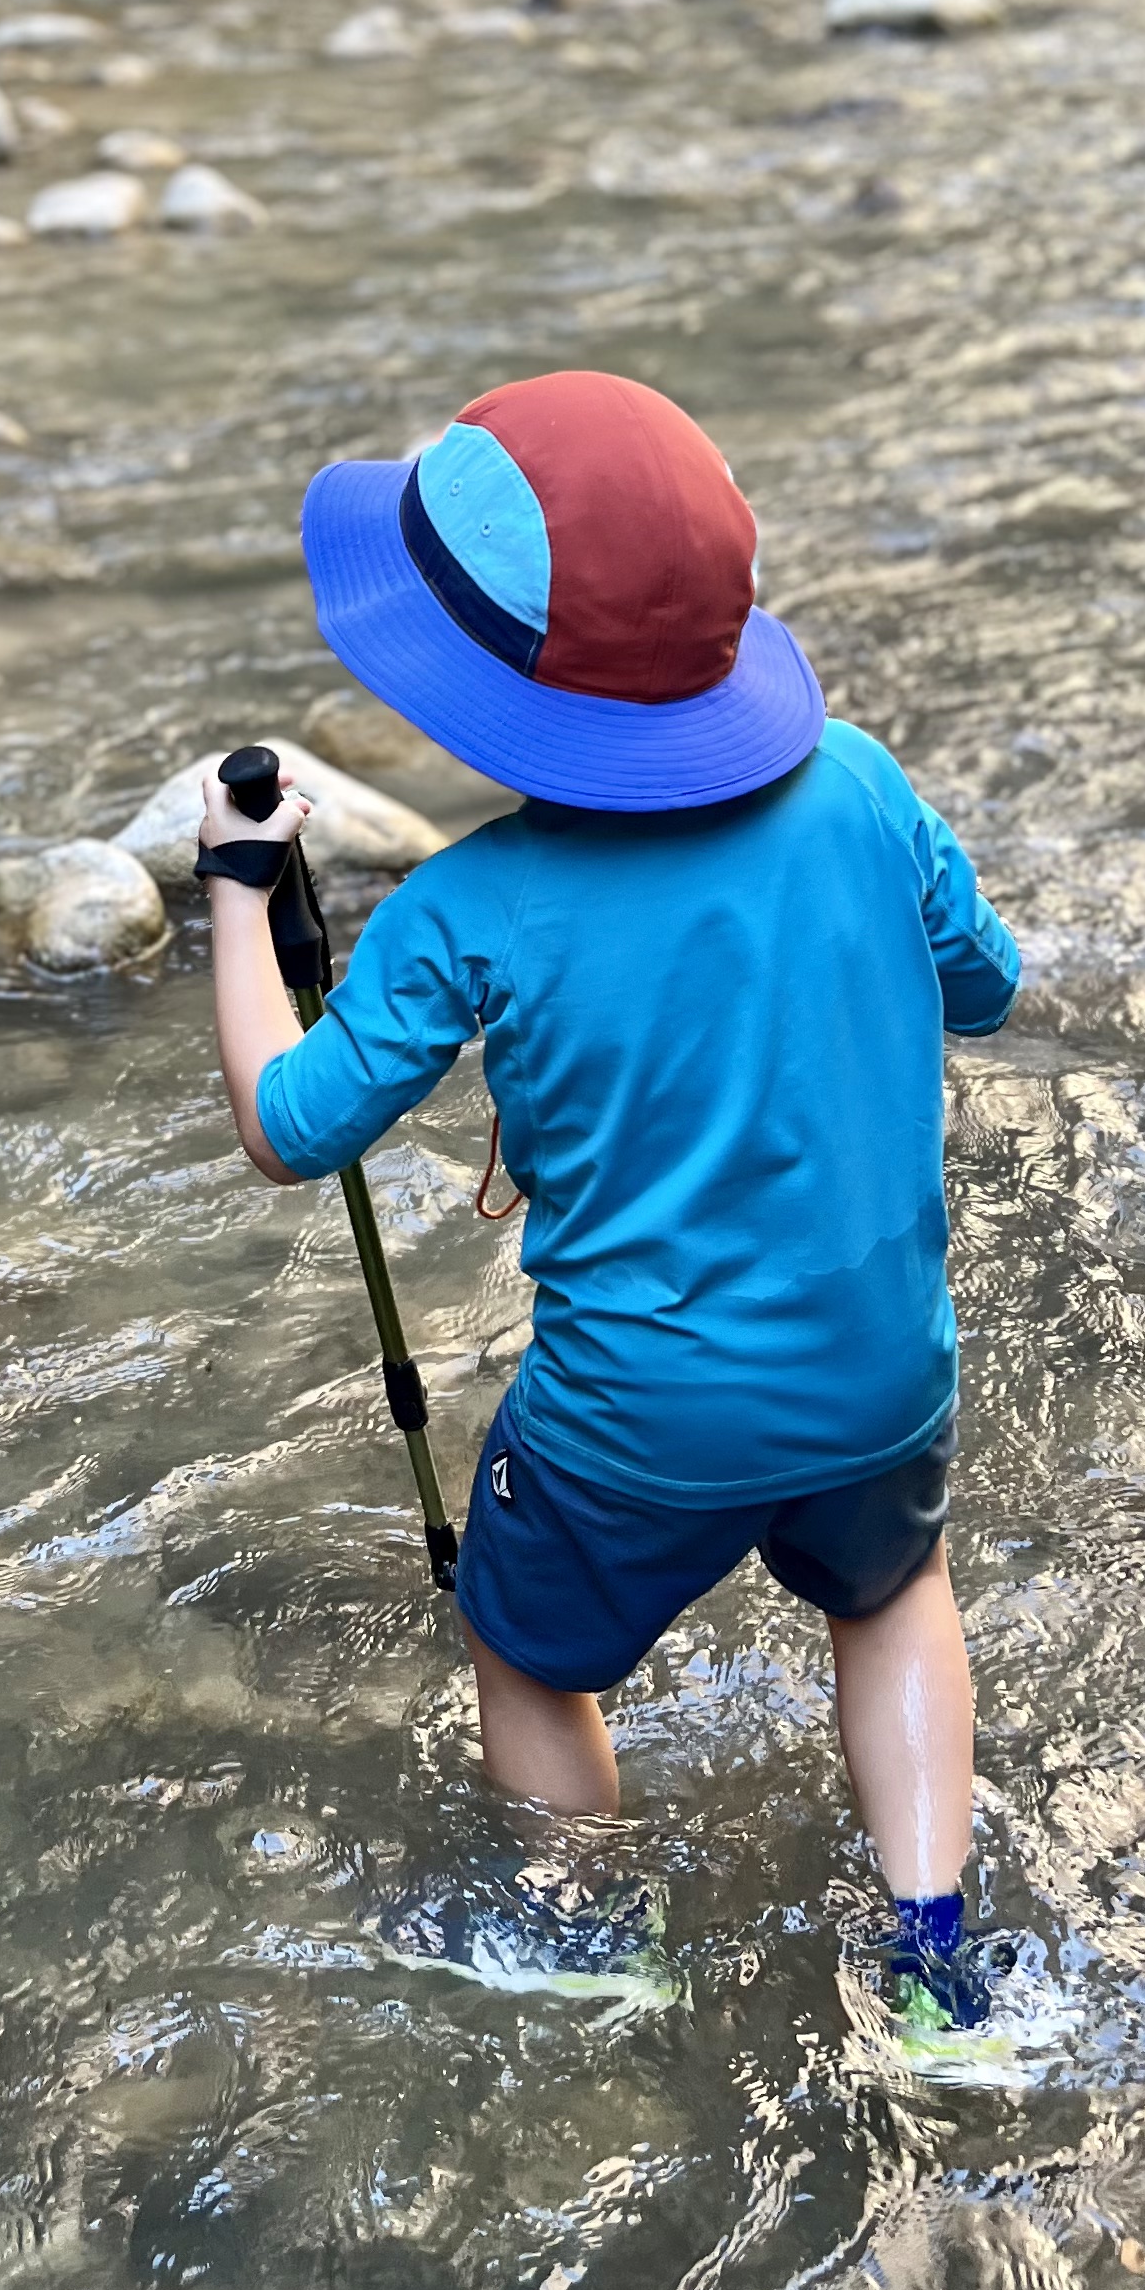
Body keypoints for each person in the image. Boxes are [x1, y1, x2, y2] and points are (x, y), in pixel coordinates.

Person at [198, 373, 1020, 2038]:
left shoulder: (470, 903)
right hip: (878, 1371)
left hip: (630, 1415)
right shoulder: (859, 784)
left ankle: (584, 1936)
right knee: (890, 1595)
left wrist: (232, 895)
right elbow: (985, 985)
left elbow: (290, 1131)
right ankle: (934, 1965)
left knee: (531, 1654)